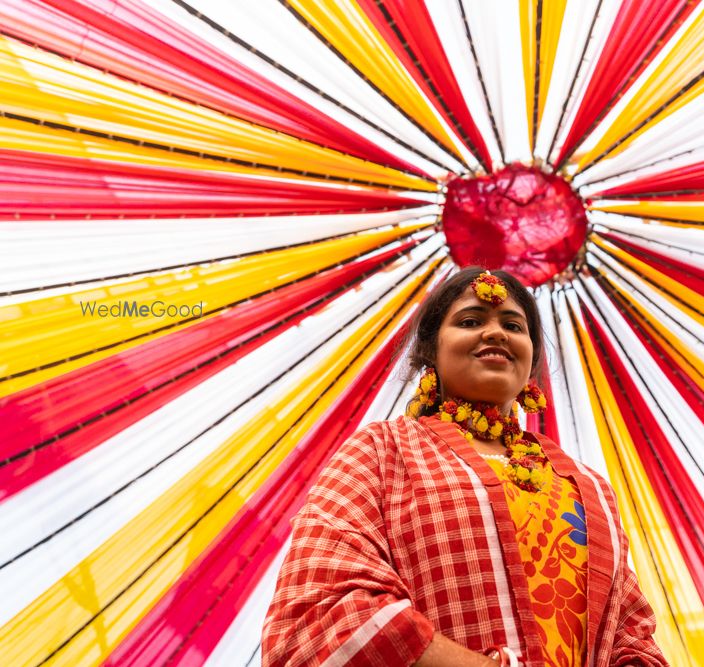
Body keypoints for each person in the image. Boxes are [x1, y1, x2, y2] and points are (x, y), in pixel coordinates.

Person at [261, 266, 668, 667]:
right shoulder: (382, 452)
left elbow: (631, 638)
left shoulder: (588, 486)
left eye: (514, 325)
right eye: (471, 321)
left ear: (530, 358)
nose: (496, 333)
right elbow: (318, 613)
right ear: (430, 352)